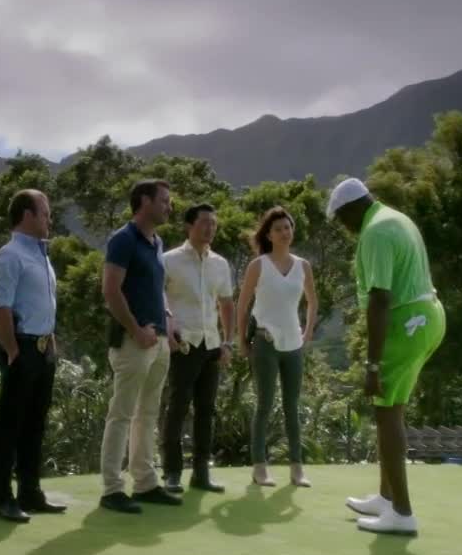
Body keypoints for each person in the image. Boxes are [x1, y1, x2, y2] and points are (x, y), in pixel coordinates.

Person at [327, 177, 446, 536]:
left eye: (342, 220)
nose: (345, 228)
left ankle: (402, 513)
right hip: (429, 316)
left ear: (352, 210)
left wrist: (372, 365)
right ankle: (386, 497)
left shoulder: (374, 232)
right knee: (391, 407)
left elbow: (379, 299)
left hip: (408, 322)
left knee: (386, 413)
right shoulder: (395, 217)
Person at [97, 179, 184, 514]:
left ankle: (145, 482)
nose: (169, 207)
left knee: (147, 414)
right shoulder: (123, 239)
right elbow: (110, 290)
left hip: (159, 340)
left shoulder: (157, 242)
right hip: (132, 342)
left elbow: (156, 289)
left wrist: (168, 322)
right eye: (164, 200)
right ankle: (112, 489)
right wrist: (135, 329)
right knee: (121, 414)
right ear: (144, 201)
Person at [0, 189, 67, 523]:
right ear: (28, 215)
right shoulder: (9, 256)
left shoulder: (41, 255)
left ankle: (30, 492)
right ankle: (1, 498)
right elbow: (1, 307)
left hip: (44, 348)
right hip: (22, 347)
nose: (50, 219)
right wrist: (13, 350)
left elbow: (42, 304)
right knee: (10, 425)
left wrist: (51, 342)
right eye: (45, 213)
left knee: (35, 424)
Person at [235, 206, 317, 488]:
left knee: (292, 406)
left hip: (293, 345)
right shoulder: (258, 266)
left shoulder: (303, 266)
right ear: (268, 235)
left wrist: (308, 332)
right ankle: (260, 467)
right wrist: (242, 340)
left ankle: (297, 469)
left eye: (288, 227)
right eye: (278, 229)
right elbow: (242, 306)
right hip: (265, 342)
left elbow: (313, 301)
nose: (284, 232)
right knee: (265, 404)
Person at [161, 203, 234, 494]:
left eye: (213, 223)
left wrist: (227, 342)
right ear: (188, 226)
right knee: (177, 407)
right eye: (204, 222)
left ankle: (201, 474)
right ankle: (172, 473)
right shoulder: (169, 260)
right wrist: (167, 329)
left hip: (211, 344)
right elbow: (158, 295)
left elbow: (226, 303)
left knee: (207, 410)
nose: (210, 228)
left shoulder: (220, 263)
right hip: (183, 344)